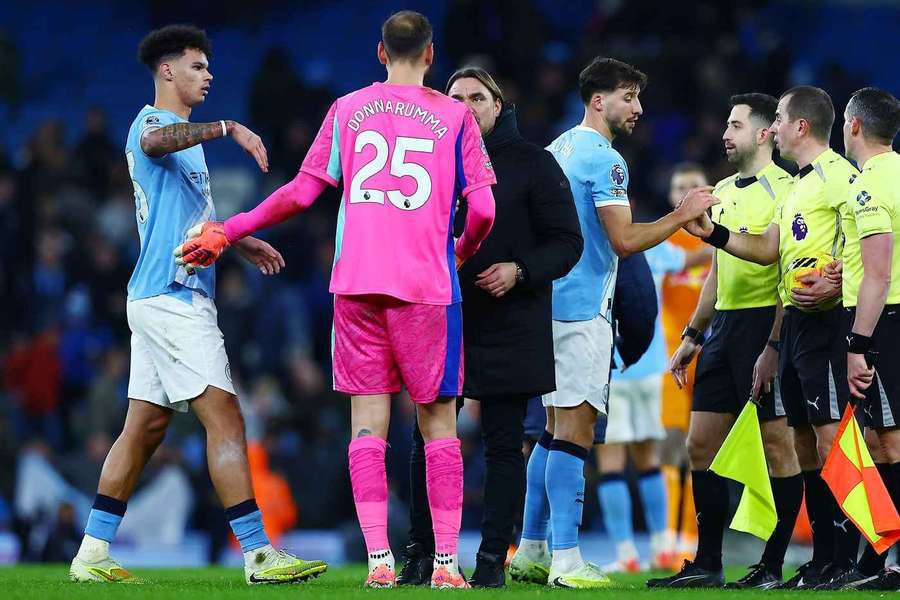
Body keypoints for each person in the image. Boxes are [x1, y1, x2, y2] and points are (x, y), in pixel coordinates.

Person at [175, 11, 497, 589]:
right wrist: (460, 252)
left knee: (367, 426)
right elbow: (484, 211)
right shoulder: (455, 117)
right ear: (430, 55)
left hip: (357, 286)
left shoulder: (348, 109)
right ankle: (447, 565)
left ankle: (379, 562)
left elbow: (301, 192)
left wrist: (229, 228)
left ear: (380, 53)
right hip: (427, 289)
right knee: (439, 425)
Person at [69, 25, 327, 585]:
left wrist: (236, 238)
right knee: (225, 417)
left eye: (209, 66)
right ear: (167, 71)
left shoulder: (188, 146)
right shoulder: (152, 124)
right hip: (173, 297)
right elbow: (154, 144)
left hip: (156, 296)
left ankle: (91, 552)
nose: (209, 75)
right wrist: (230, 127)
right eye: (197, 66)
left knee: (144, 428)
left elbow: (189, 221)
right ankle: (258, 553)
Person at [507, 56, 719, 589]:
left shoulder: (558, 147)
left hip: (547, 303)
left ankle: (530, 548)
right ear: (599, 101)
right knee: (575, 432)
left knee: (552, 430)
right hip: (582, 311)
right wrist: (681, 215)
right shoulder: (606, 159)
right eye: (629, 96)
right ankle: (566, 559)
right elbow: (624, 242)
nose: (638, 107)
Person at [396, 67, 582, 589]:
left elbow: (568, 242)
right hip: (443, 316)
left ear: (499, 105)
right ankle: (422, 552)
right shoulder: (427, 158)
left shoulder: (534, 163)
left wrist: (519, 270)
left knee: (503, 443)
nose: (466, 106)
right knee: (428, 439)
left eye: (477, 97)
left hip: (510, 320)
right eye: (455, 97)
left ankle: (492, 558)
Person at [680, 86, 861, 589]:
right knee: (790, 444)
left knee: (817, 442)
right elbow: (756, 255)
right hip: (760, 326)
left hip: (806, 323)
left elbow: (862, 242)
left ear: (789, 127)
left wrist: (841, 280)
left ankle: (839, 559)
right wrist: (712, 238)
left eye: (777, 119)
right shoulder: (782, 188)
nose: (726, 133)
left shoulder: (827, 178)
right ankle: (806, 559)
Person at [647, 93, 801, 589]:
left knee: (778, 447)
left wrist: (774, 344)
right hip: (724, 329)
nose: (725, 134)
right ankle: (708, 564)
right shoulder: (725, 190)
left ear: (764, 133)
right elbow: (719, 270)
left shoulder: (787, 188)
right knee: (699, 446)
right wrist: (694, 333)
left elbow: (776, 262)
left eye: (735, 126)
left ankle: (772, 566)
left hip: (765, 325)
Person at [597, 236, 709, 574]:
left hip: (609, 366)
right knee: (650, 459)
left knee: (611, 462)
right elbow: (694, 258)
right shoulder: (650, 245)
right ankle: (663, 547)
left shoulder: (594, 244)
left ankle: (627, 554)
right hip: (650, 365)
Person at [835, 87, 900, 590]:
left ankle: (888, 560)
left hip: (884, 323)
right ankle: (877, 558)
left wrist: (858, 345)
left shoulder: (869, 186)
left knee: (889, 443)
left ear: (853, 125)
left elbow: (878, 274)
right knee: (880, 442)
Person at [659, 163, 713, 566]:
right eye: (680, 187)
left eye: (694, 186)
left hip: (712, 355)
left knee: (703, 447)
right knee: (671, 446)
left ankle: (694, 536)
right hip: (670, 356)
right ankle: (668, 536)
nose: (687, 192)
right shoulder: (663, 239)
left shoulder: (724, 236)